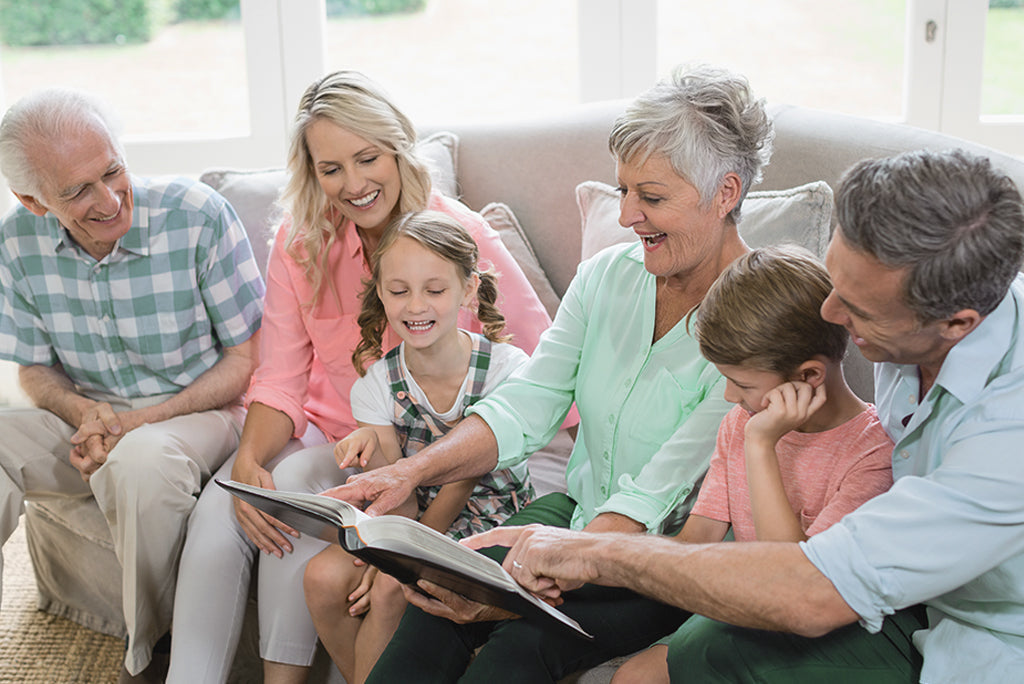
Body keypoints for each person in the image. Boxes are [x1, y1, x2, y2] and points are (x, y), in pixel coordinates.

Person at [462, 148, 1024, 683]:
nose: (830, 313)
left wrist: (588, 550)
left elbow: (810, 591)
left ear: (957, 323)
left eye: (857, 309)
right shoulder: (918, 317)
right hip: (906, 587)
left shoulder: (1005, 434)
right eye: (837, 281)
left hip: (984, 635)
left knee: (712, 655)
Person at [328, 63, 776, 682]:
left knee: (518, 646)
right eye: (621, 191)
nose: (625, 216)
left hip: (666, 554)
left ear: (725, 193)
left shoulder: (761, 322)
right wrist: (410, 472)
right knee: (436, 598)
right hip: (574, 510)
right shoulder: (606, 278)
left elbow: (659, 490)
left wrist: (532, 578)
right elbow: (528, 402)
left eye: (650, 197)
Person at [166, 71, 553, 684]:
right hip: (338, 433)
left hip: (429, 451)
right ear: (311, 172)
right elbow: (281, 378)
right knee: (226, 508)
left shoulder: (458, 236)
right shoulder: (301, 242)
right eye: (331, 168)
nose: (353, 184)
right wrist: (247, 460)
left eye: (368, 158)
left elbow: (540, 364)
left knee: (296, 492)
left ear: (398, 148)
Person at [0, 88, 265, 682]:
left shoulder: (196, 214)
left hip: (200, 411)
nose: (109, 198)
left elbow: (246, 358)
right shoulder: (16, 241)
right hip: (92, 420)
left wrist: (139, 423)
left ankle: (146, 656)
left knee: (141, 461)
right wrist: (82, 411)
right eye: (77, 191)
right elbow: (33, 370)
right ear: (33, 200)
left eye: (113, 170)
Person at [612, 245, 894, 683]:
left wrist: (761, 445)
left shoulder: (873, 454)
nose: (729, 397)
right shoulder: (739, 421)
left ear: (809, 377)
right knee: (635, 677)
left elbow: (792, 582)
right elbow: (695, 542)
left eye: (741, 383)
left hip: (820, 626)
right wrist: (602, 561)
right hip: (749, 605)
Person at [301, 210, 535, 683]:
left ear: (468, 290)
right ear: (381, 293)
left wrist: (397, 564)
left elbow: (462, 478)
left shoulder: (507, 369)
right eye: (399, 290)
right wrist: (389, 548)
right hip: (412, 519)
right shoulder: (376, 385)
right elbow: (400, 498)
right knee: (321, 578)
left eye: (434, 289)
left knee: (389, 589)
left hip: (492, 519)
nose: (415, 306)